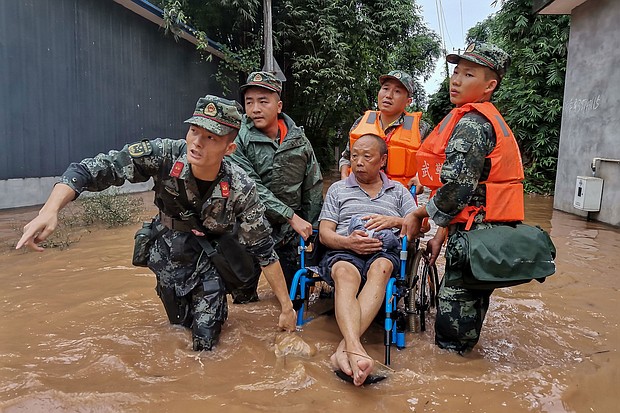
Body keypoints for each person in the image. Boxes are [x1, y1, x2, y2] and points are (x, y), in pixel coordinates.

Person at [16, 95, 296, 351]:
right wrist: (50, 209)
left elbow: (263, 250)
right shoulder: (163, 155)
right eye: (194, 131)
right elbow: (92, 169)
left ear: (229, 147)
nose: (197, 142)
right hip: (168, 254)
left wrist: (286, 307)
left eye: (211, 137)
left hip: (210, 258)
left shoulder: (241, 187)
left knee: (206, 342)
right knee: (177, 327)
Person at [402, 42, 524, 354]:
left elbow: (457, 188)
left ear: (489, 86)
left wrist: (419, 214)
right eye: (455, 72)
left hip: (474, 241)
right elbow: (470, 197)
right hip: (489, 240)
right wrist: (441, 234)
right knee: (470, 312)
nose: (456, 80)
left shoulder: (472, 123)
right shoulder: (487, 119)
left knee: (452, 336)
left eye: (468, 74)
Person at [318, 134, 416, 386]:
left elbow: (420, 227)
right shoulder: (338, 190)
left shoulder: (399, 191)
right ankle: (353, 348)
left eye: (367, 156)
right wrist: (348, 242)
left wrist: (396, 221)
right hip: (344, 249)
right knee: (344, 273)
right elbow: (326, 234)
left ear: (382, 160)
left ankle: (344, 349)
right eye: (354, 156)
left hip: (383, 251)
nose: (358, 162)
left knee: (382, 267)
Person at [226, 71, 323, 291]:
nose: (255, 109)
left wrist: (314, 232)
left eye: (263, 101)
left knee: (297, 295)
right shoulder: (237, 139)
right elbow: (250, 187)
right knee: (243, 298)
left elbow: (312, 188)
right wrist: (290, 216)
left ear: (278, 106)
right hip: (248, 227)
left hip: (289, 234)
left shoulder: (298, 140)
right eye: (249, 102)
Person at [339, 70, 431, 191]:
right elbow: (346, 157)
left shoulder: (421, 128)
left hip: (399, 198)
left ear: (408, 101)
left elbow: (431, 163)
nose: (388, 95)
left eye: (397, 91)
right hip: (358, 194)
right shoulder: (361, 122)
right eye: (385, 88)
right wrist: (344, 176)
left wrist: (420, 178)